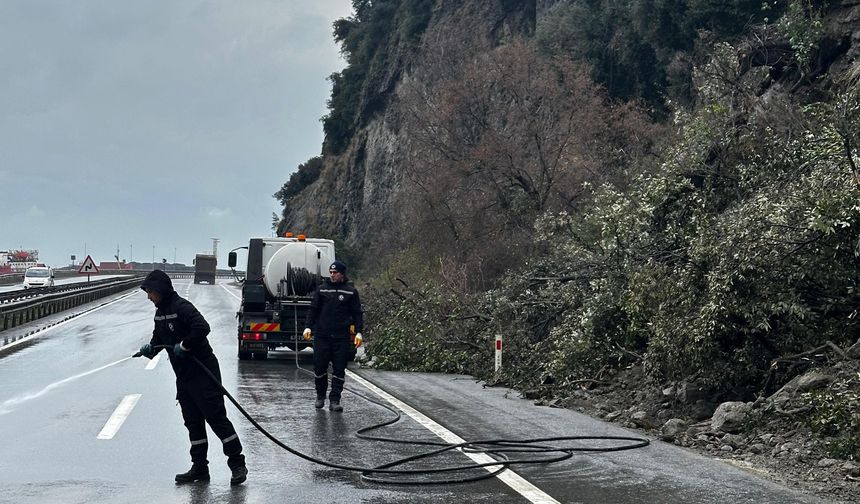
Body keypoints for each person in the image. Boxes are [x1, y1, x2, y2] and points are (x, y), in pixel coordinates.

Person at [137, 269, 248, 486]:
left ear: (160, 290)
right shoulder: (160, 313)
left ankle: (237, 464)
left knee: (216, 419)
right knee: (193, 423)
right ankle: (199, 468)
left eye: (150, 292)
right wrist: (149, 349)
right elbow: (159, 340)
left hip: (204, 373)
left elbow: (202, 327)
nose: (149, 297)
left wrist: (186, 344)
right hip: (184, 377)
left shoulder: (182, 307)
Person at [303, 260, 364, 412]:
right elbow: (313, 310)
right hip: (322, 336)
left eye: (335, 273)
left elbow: (357, 313)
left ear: (342, 274)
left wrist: (359, 332)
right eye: (331, 272)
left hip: (341, 337)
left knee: (339, 369)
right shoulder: (322, 290)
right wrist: (308, 327)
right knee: (319, 367)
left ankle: (335, 399)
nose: (332, 275)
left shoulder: (350, 292)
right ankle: (320, 395)